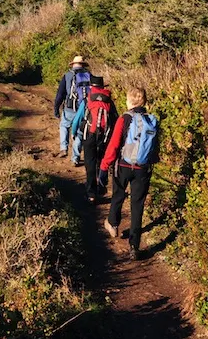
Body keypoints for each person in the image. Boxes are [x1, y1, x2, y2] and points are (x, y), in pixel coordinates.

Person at [99, 86, 160, 260]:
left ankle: (113, 223)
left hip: (124, 166)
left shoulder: (125, 118)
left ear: (129, 101)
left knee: (118, 194)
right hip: (143, 169)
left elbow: (114, 145)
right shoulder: (152, 120)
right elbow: (155, 149)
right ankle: (134, 246)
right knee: (137, 206)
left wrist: (104, 167)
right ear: (144, 101)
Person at [71, 75, 118, 204]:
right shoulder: (108, 100)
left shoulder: (88, 99)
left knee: (89, 163)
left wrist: (74, 132)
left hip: (89, 135)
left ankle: (91, 193)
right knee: (101, 161)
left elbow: (78, 118)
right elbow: (115, 119)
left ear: (91, 86)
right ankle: (101, 186)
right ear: (102, 87)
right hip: (105, 135)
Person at [53, 56, 91, 166]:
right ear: (83, 64)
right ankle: (75, 158)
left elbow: (60, 94)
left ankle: (64, 148)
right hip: (83, 109)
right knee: (79, 133)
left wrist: (56, 107)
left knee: (64, 126)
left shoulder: (67, 75)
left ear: (73, 64)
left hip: (69, 108)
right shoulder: (89, 75)